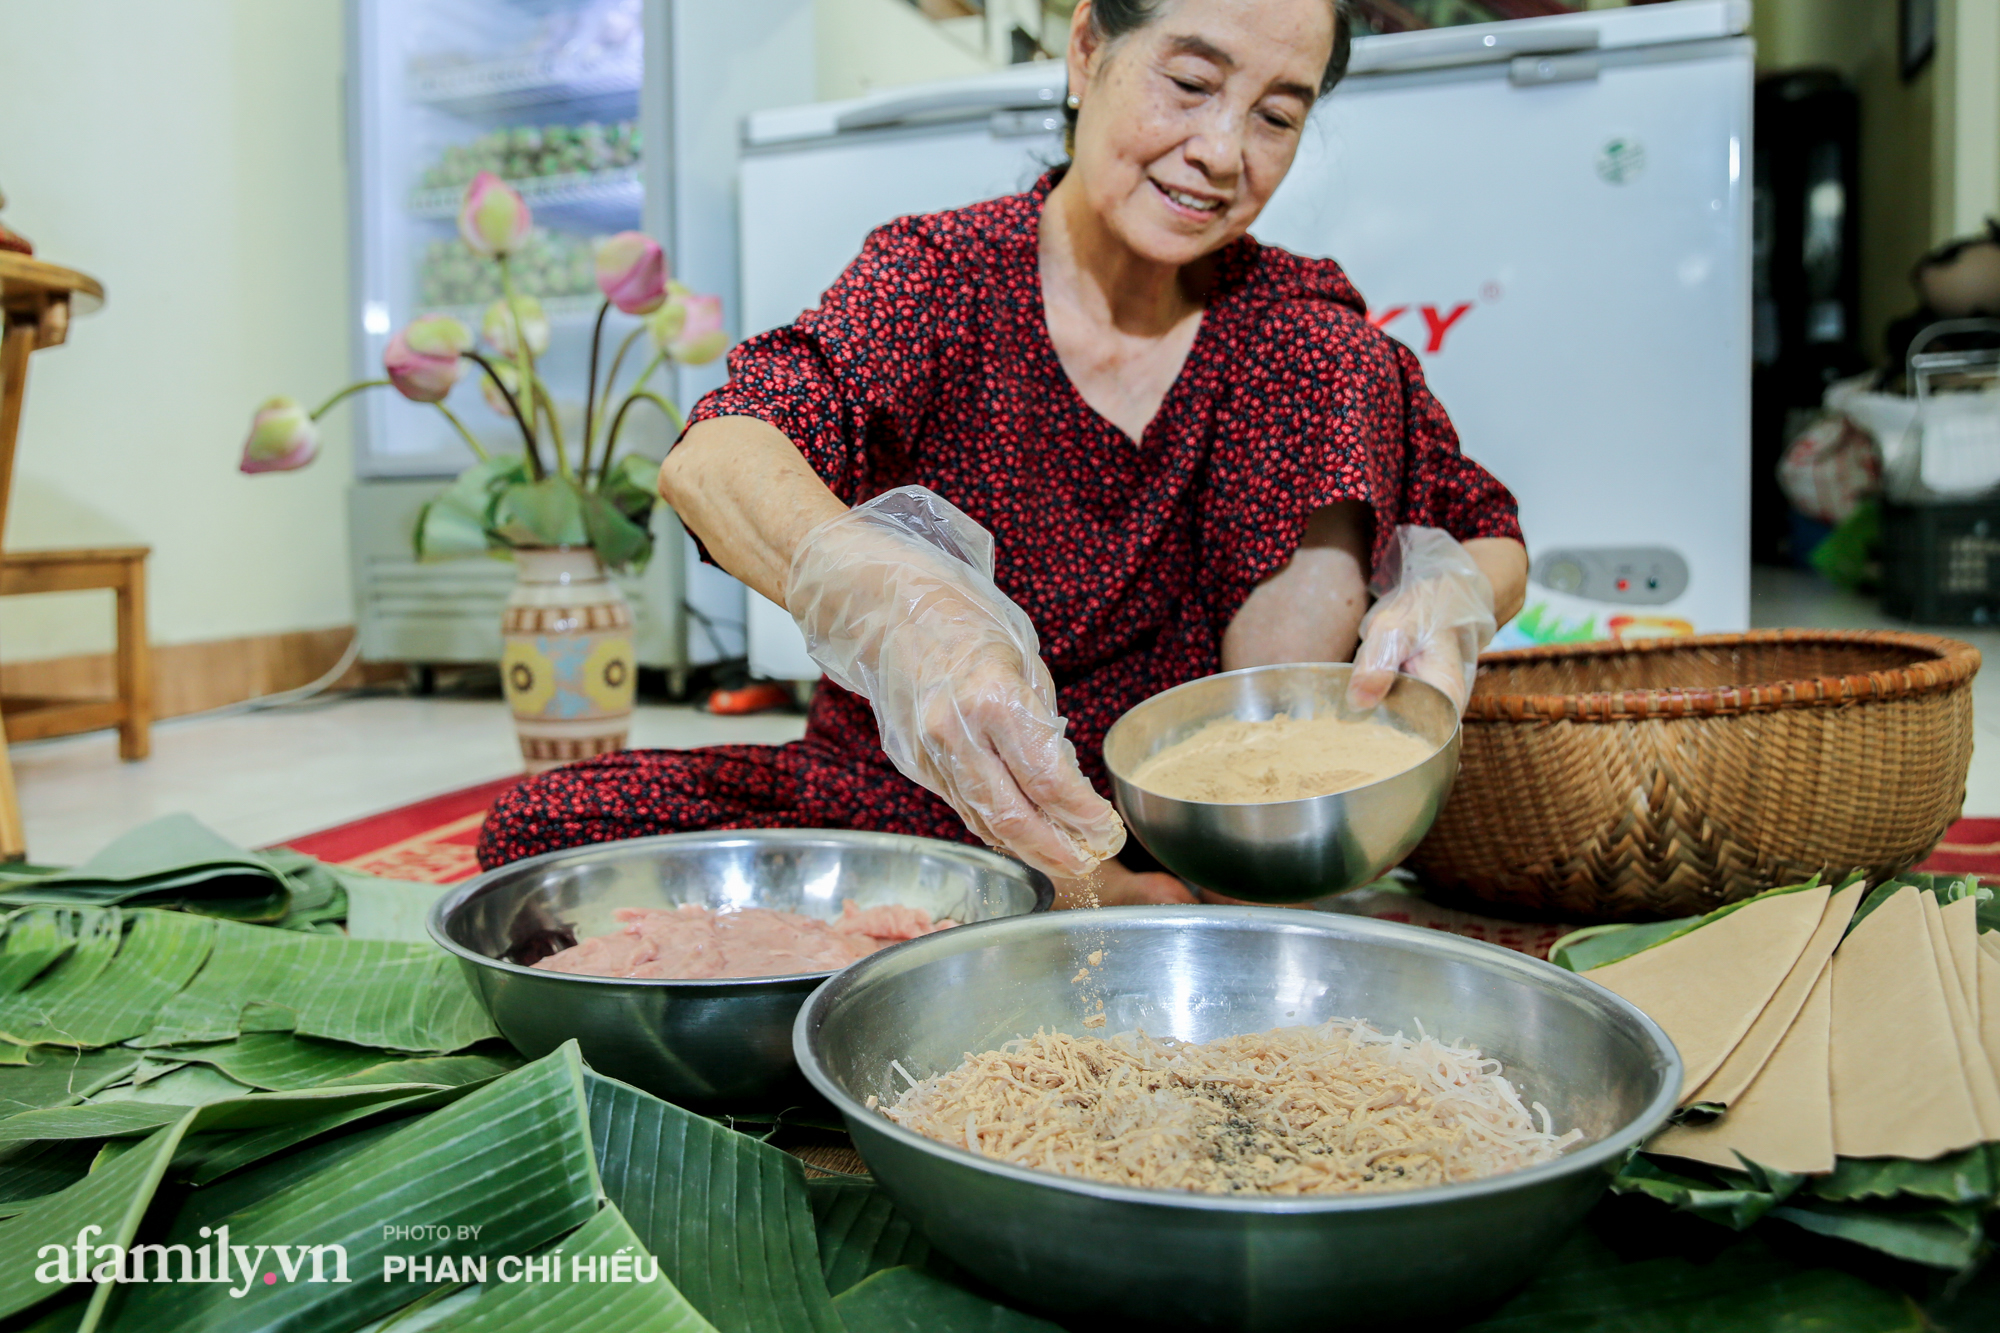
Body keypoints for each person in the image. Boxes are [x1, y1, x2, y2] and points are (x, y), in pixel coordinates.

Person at [478, 0, 1528, 905]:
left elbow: (1482, 532)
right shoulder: (942, 276)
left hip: (1188, 811)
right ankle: (1082, 899)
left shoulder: (1291, 321)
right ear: (1085, 50)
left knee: (1324, 346)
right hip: (929, 801)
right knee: (544, 833)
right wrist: (899, 607)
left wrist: (1445, 600)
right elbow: (716, 455)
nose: (1219, 150)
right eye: (1189, 81)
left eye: (1274, 115)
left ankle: (1234, 847)